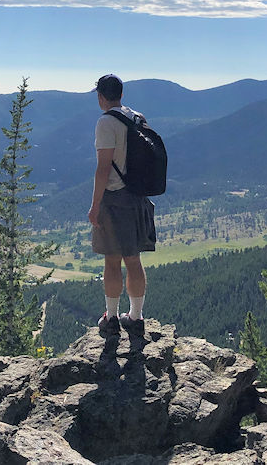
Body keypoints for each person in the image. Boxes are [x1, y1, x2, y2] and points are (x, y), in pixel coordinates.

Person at [87, 74, 155, 337]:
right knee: (134, 260)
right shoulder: (138, 118)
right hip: (137, 197)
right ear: (121, 94)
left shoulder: (106, 122)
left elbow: (103, 168)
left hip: (114, 198)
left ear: (101, 97)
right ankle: (136, 317)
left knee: (112, 261)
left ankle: (112, 318)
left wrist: (95, 205)